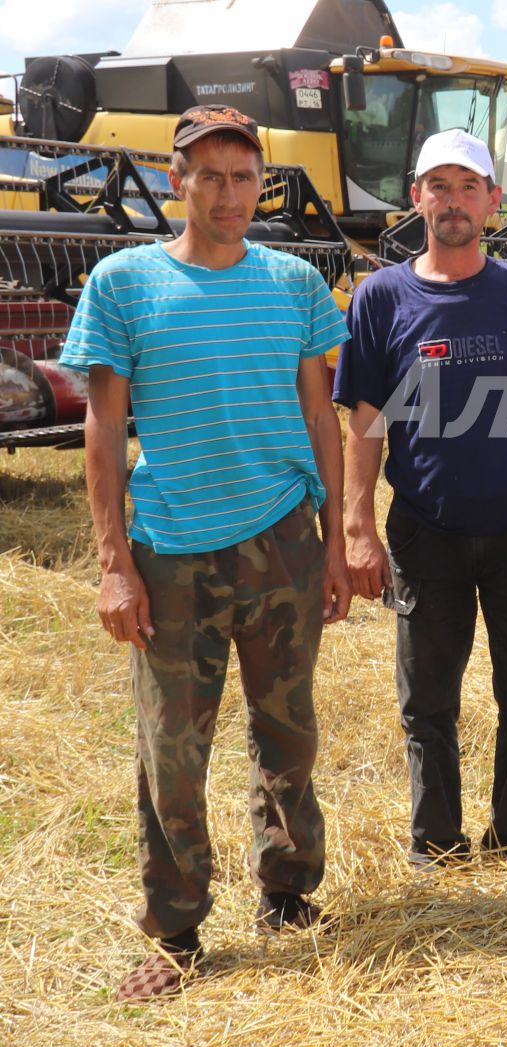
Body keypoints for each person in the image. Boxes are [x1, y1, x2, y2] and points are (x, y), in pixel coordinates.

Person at [60, 105, 351, 1001]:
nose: (229, 194)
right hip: (170, 555)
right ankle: (177, 928)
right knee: (172, 753)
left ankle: (290, 893)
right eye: (210, 175)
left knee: (288, 732)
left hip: (282, 542)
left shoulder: (296, 283)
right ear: (177, 180)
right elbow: (103, 431)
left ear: (261, 181)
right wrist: (114, 562)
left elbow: (320, 418)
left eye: (244, 176)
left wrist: (338, 539)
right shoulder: (123, 282)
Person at [334, 128, 507, 866]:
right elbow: (364, 423)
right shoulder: (381, 297)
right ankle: (437, 844)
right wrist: (358, 528)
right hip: (426, 528)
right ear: (415, 199)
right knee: (428, 704)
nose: (453, 202)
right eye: (438, 186)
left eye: (467, 186)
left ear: (493, 203)